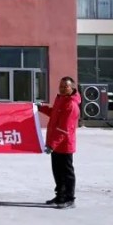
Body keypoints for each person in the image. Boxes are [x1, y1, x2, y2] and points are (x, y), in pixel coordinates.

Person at [38, 76, 81, 209]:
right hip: (55, 144)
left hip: (64, 145)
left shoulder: (71, 105)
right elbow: (54, 113)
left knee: (66, 172)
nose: (62, 88)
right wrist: (41, 108)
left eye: (65, 86)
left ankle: (69, 198)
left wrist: (52, 144)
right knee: (57, 172)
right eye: (61, 86)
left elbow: (64, 129)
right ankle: (60, 196)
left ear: (72, 88)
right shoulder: (61, 100)